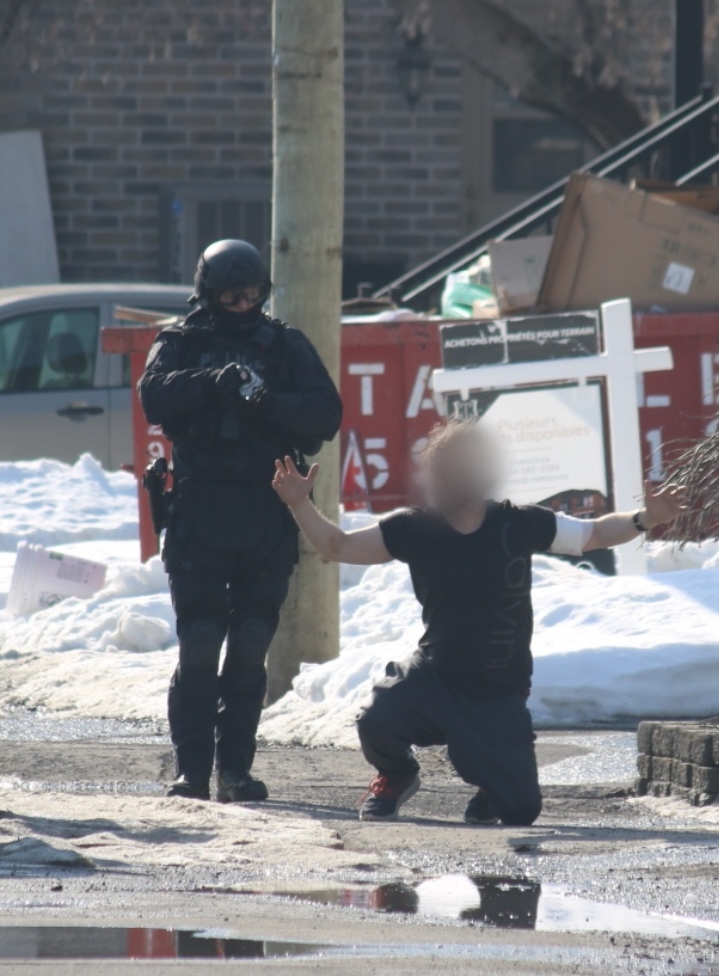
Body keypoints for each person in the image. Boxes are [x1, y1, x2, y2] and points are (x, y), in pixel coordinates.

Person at [272, 418, 684, 826]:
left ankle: (491, 781)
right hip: (435, 676)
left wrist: (644, 519)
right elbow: (338, 546)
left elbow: (593, 533)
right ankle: (397, 775)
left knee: (520, 811)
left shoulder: (519, 522)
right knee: (376, 719)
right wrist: (298, 503)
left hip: (497, 691)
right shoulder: (415, 528)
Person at [139, 239, 342, 803]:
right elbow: (153, 397)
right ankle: (192, 771)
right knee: (200, 645)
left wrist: (266, 401)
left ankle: (235, 771)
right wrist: (213, 383)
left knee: (251, 645)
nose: (242, 305)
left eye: (251, 295)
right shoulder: (181, 341)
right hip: (199, 512)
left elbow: (326, 413)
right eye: (231, 296)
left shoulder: (284, 344)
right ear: (208, 294)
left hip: (264, 511)